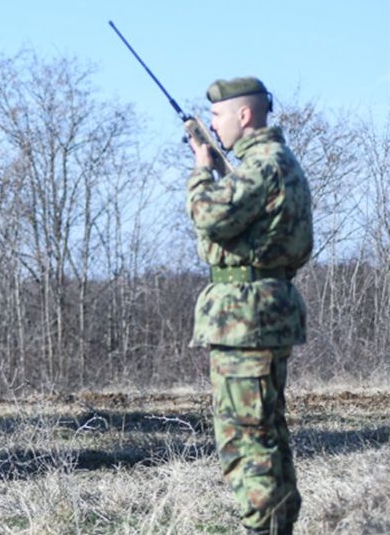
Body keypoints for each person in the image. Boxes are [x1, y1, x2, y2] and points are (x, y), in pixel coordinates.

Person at [186, 77, 313, 535]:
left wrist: (202, 169)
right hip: (258, 316)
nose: (214, 127)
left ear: (244, 115)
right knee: (266, 432)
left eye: (218, 117)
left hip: (247, 321)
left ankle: (263, 527)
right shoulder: (270, 164)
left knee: (246, 437)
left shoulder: (263, 165)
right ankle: (275, 525)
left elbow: (210, 215)